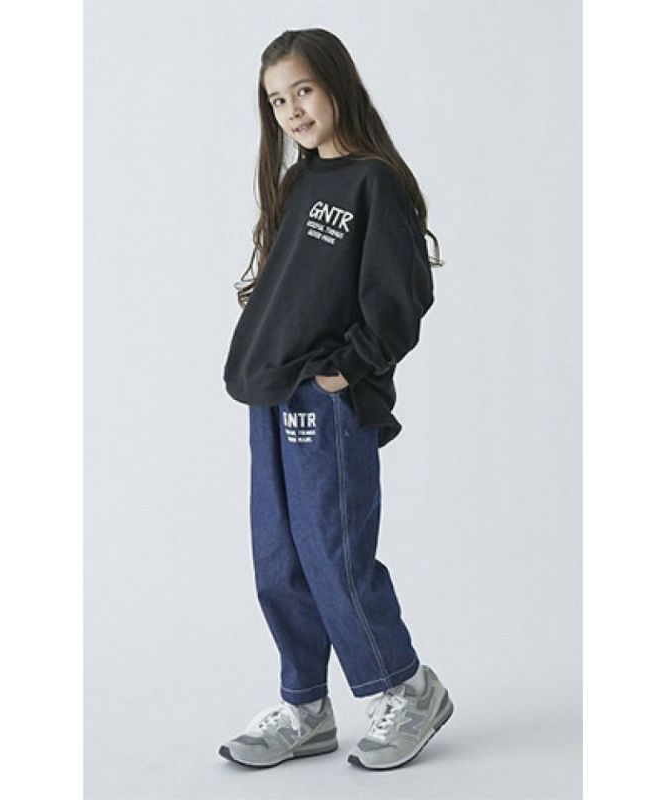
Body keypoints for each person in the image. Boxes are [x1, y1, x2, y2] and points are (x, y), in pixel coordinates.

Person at [219, 28, 453, 771]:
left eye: (303, 90)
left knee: (333, 552)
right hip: (270, 390)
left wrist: (345, 371)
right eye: (276, 100)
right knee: (278, 557)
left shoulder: (372, 183)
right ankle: (306, 706)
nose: (291, 110)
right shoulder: (298, 184)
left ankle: (407, 688)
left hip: (327, 401)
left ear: (337, 85)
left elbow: (403, 295)